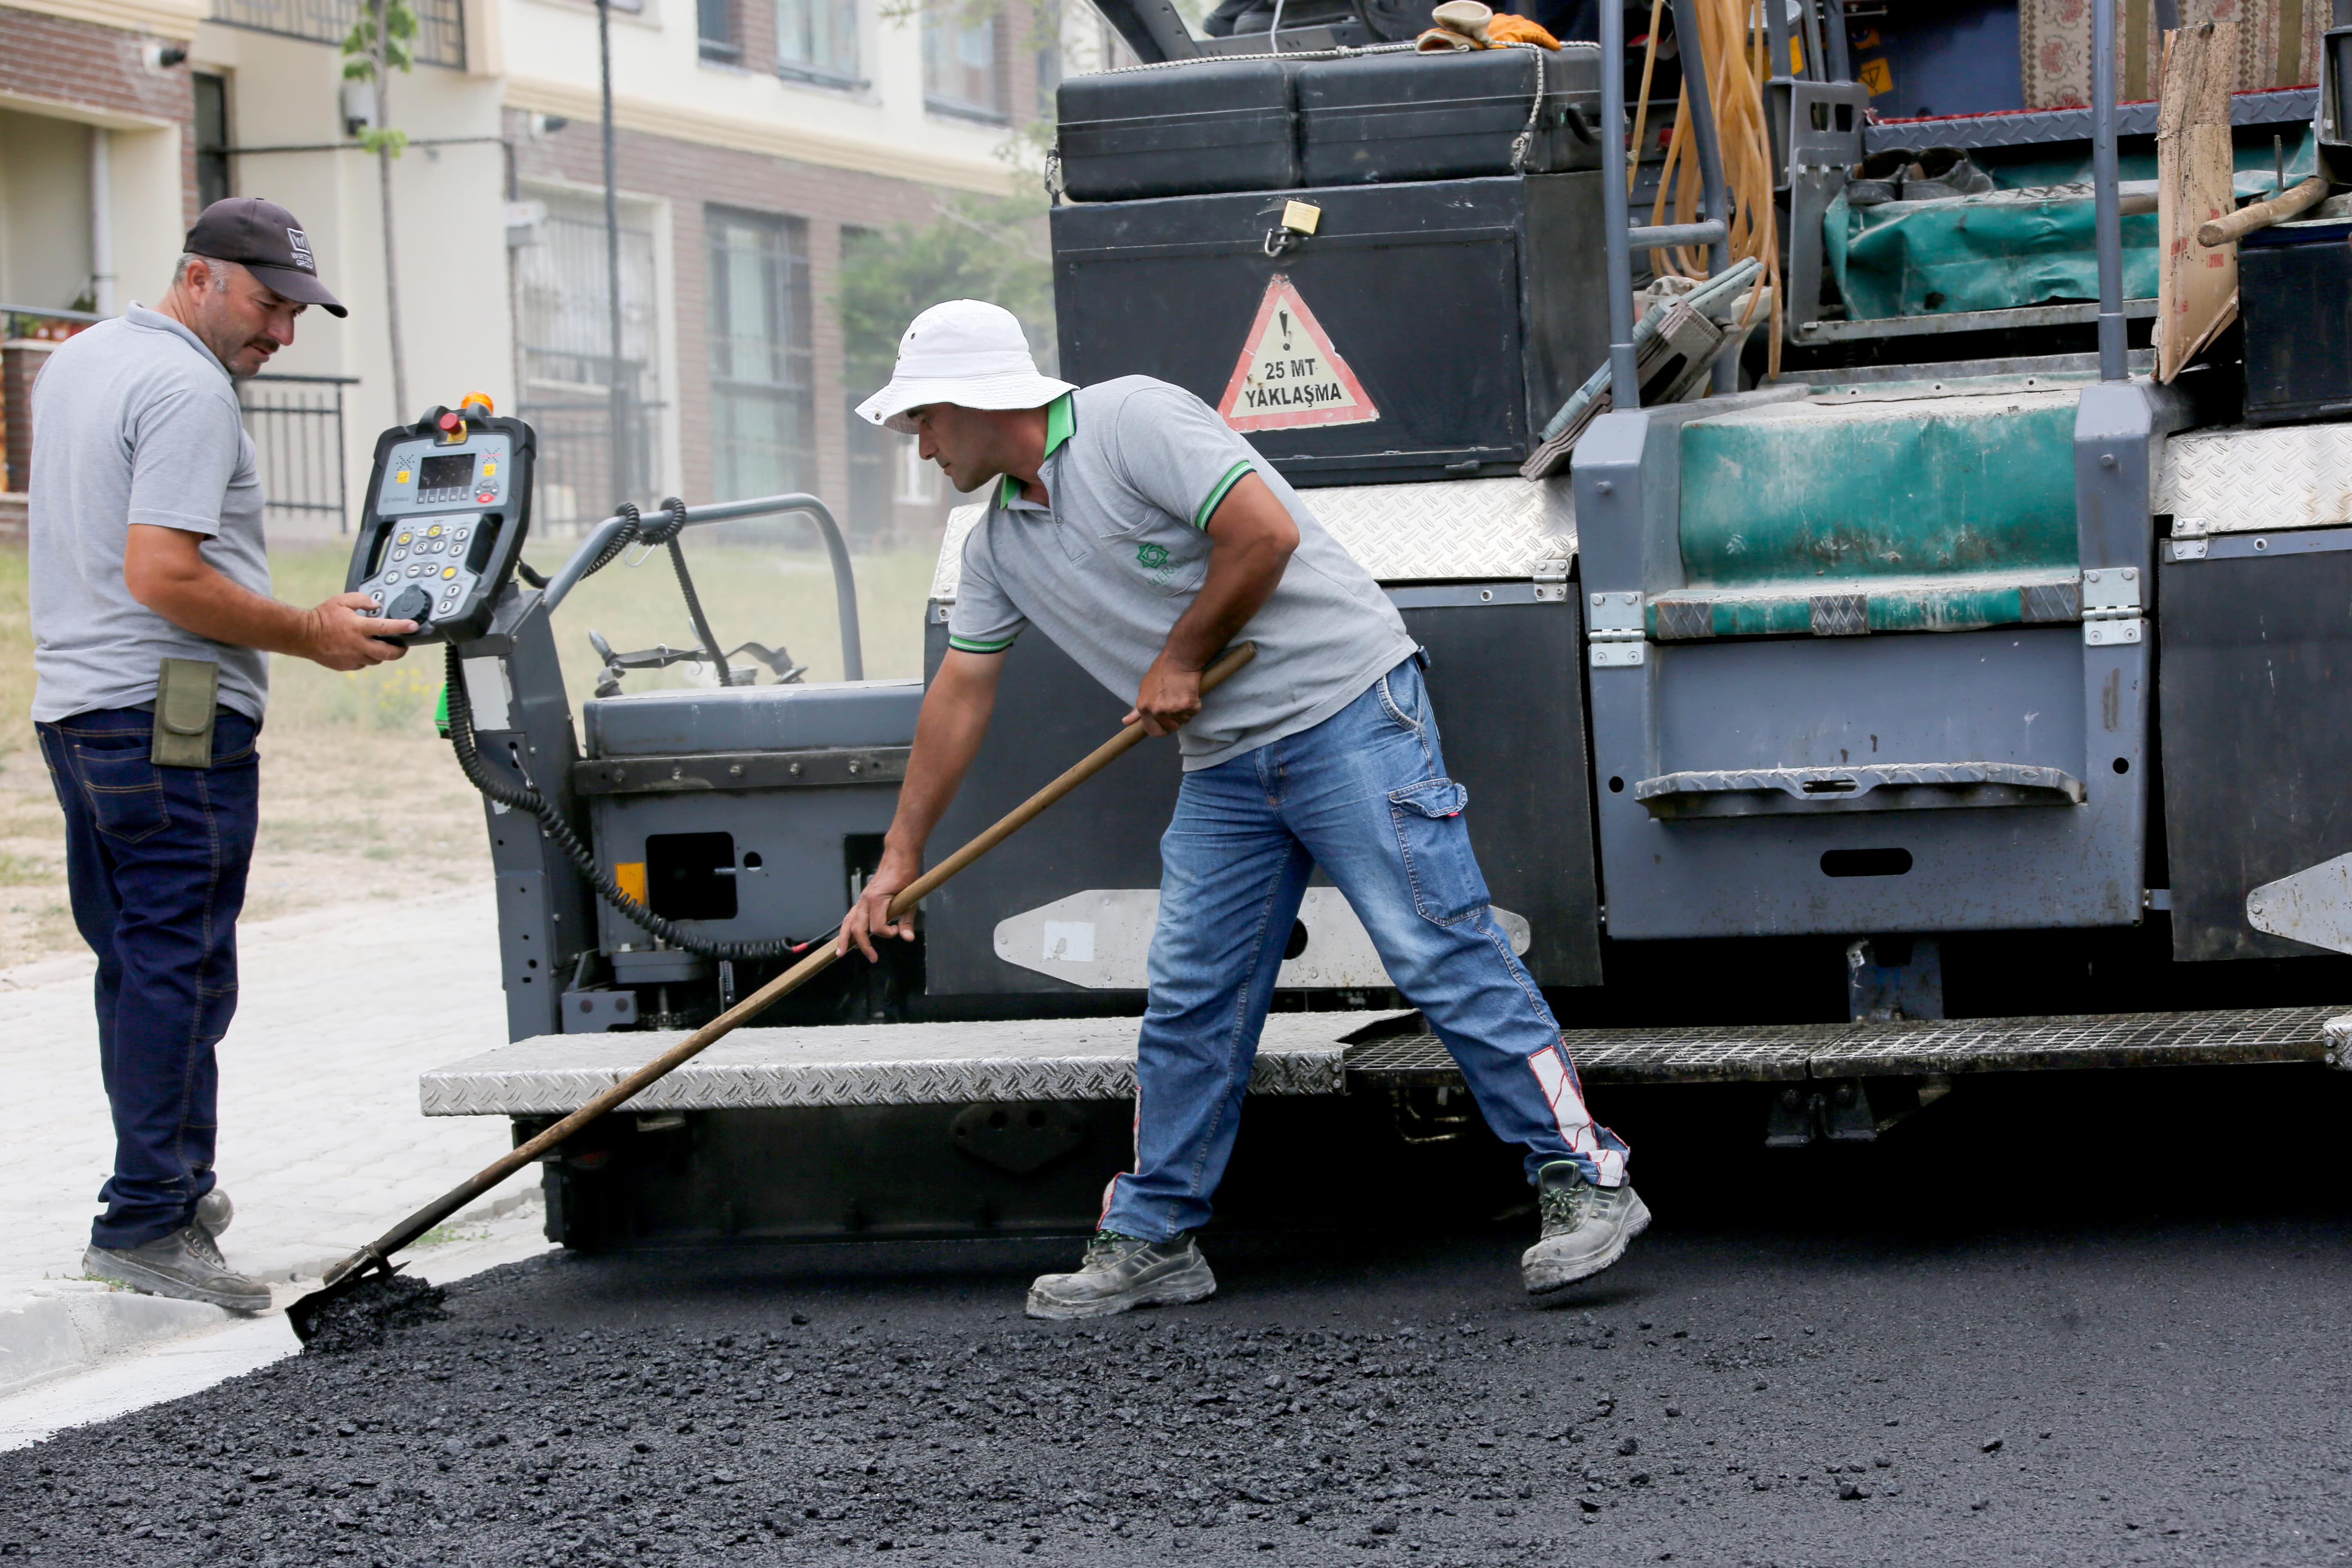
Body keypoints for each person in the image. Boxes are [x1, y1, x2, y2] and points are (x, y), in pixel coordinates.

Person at [841, 299, 1643, 1321]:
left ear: (975, 401)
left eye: (921, 421)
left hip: (1345, 711)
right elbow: (960, 694)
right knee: (1191, 995)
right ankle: (1155, 1236)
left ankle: (1588, 1179)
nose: (918, 447)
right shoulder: (1001, 543)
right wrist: (898, 858)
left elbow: (1262, 533)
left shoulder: (1132, 422)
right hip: (1226, 766)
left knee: (1438, 947)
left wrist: (1178, 656)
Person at [29, 197, 417, 1312]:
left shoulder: (81, 361)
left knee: (139, 960)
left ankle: (171, 1194)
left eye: (295, 313)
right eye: (266, 304)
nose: (281, 335)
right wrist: (313, 633)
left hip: (80, 708)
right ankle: (148, 1219)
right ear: (200, 277)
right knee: (182, 964)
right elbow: (163, 576)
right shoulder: (191, 388)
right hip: (170, 714)